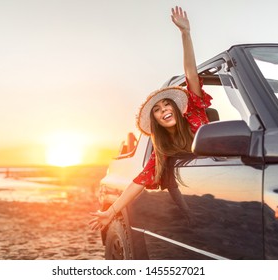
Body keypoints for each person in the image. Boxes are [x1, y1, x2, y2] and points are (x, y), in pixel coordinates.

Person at [89, 6, 212, 231]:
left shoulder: (195, 112)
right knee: (171, 184)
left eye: (167, 104)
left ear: (176, 108)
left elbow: (191, 73)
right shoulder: (162, 148)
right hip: (188, 183)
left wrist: (185, 34)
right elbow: (139, 181)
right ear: (155, 120)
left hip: (217, 171)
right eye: (157, 109)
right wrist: (110, 212)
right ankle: (186, 214)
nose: (164, 109)